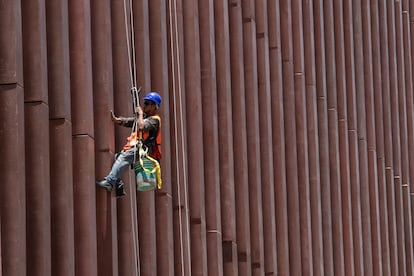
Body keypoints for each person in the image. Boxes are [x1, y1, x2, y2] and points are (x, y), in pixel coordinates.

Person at [96, 91, 162, 197]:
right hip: (141, 148)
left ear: (154, 106)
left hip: (143, 149)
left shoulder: (154, 121)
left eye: (147, 103)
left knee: (124, 157)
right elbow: (134, 121)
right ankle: (119, 185)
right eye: (144, 103)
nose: (144, 105)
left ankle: (109, 182)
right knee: (118, 157)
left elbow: (141, 126)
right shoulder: (146, 118)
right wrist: (120, 121)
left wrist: (140, 114)